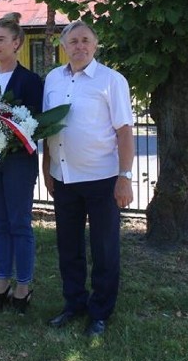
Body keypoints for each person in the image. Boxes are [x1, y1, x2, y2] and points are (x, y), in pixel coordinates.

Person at [42, 20, 136, 337]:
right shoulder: (53, 79)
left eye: (85, 40)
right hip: (63, 176)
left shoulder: (111, 81)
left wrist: (125, 176)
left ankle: (100, 313)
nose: (79, 46)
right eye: (73, 41)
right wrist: (47, 168)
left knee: (104, 249)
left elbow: (124, 131)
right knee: (68, 247)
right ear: (64, 46)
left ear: (95, 46)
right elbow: (47, 127)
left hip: (102, 178)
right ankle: (74, 304)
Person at [0, 13, 43, 315]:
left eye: (1, 39)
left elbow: (33, 123)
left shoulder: (30, 81)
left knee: (19, 223)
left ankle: (24, 285)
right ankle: (1, 284)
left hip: (17, 161)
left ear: (17, 43)